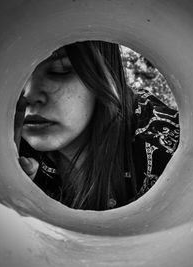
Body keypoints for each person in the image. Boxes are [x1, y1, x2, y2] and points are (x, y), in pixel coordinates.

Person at [14, 41, 179, 211]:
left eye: (59, 69)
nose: (29, 95)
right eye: (15, 75)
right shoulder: (6, 148)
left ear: (105, 74)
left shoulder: (165, 150)